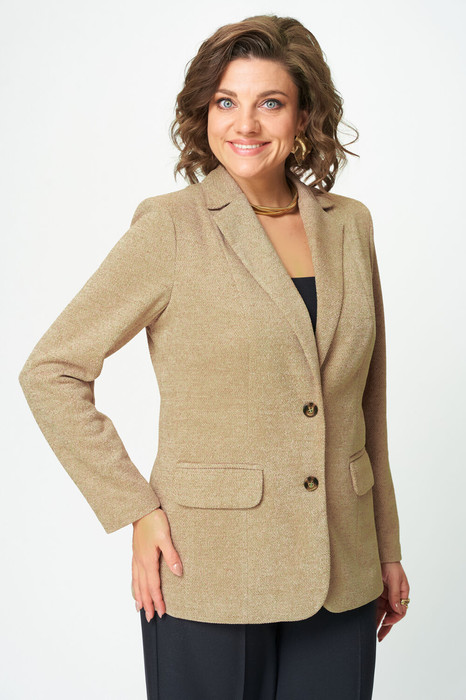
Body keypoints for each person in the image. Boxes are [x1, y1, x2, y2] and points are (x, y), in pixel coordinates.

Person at [18, 13, 411, 700]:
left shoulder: (350, 225)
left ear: (305, 116)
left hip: (343, 569)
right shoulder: (170, 227)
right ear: (204, 113)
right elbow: (51, 371)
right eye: (226, 101)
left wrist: (385, 547)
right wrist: (136, 508)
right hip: (208, 566)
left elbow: (365, 402)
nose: (245, 124)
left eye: (270, 102)